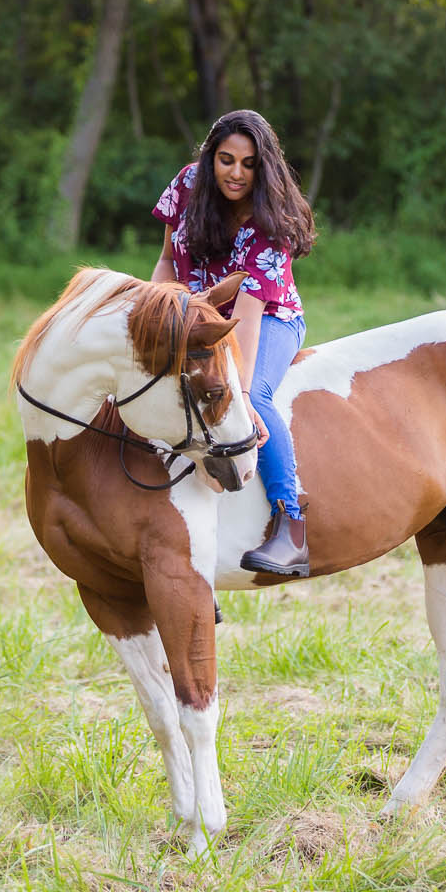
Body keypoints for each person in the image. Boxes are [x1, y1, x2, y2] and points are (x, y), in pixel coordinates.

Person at [151, 109, 316, 576]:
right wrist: (159, 313)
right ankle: (180, 545)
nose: (236, 173)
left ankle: (291, 524)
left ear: (263, 168)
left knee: (251, 400)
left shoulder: (270, 224)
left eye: (248, 165)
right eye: (226, 160)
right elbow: (166, 260)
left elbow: (246, 318)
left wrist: (239, 390)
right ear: (210, 158)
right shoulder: (186, 185)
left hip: (267, 320)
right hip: (192, 314)